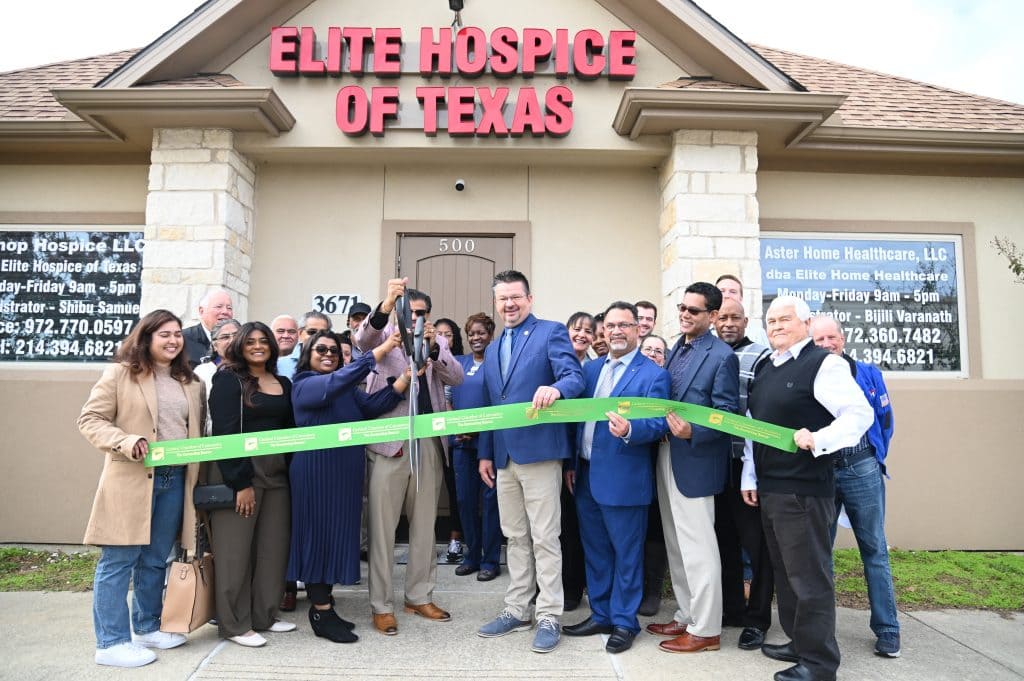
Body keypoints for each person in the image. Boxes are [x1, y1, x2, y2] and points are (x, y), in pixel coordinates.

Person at [741, 296, 872, 681]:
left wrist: (819, 438)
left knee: (809, 577)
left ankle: (818, 664)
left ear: (806, 323)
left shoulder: (824, 364)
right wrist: (750, 476)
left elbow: (860, 414)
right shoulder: (767, 366)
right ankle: (800, 644)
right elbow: (754, 426)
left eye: (785, 319)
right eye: (771, 320)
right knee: (786, 573)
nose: (777, 326)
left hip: (804, 489)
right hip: (772, 487)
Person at [77, 309, 205, 668]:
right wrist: (124, 440)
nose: (173, 340)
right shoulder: (120, 374)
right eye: (164, 333)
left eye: (177, 334)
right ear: (146, 337)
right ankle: (111, 642)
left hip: (175, 478)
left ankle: (147, 626)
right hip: (132, 479)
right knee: (118, 561)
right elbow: (90, 420)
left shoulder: (192, 382)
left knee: (154, 560)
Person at [477, 270, 585, 654]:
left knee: (545, 537)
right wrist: (486, 453)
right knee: (515, 537)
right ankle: (516, 609)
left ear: (529, 298)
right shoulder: (492, 348)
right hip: (504, 456)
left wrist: (556, 388)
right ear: (496, 302)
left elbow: (575, 377)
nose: (509, 304)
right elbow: (494, 406)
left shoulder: (551, 332)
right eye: (502, 298)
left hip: (540, 452)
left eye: (515, 297)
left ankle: (550, 614)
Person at [289, 329, 414, 643]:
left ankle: (326, 606)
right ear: (308, 354)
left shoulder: (345, 388)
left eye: (335, 349)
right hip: (316, 476)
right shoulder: (305, 384)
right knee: (318, 538)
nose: (329, 354)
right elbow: (335, 382)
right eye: (321, 349)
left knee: (335, 538)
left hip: (344, 478)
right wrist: (384, 348)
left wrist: (405, 379)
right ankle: (319, 610)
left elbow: (372, 407)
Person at [354, 279, 464, 636]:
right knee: (383, 530)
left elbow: (457, 377)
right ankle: (381, 605)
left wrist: (433, 349)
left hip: (428, 443)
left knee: (424, 526)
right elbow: (362, 343)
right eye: (411, 312)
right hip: (389, 444)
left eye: (422, 314)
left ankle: (419, 595)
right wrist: (387, 303)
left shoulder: (437, 341)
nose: (416, 319)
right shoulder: (383, 334)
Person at [562, 302, 670, 654]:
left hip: (624, 478)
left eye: (624, 325)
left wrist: (630, 430)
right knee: (596, 552)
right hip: (587, 474)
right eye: (610, 326)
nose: (617, 331)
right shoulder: (590, 370)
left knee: (626, 554)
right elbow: (578, 419)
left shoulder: (653, 374)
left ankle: (625, 622)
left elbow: (658, 424)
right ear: (602, 331)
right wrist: (571, 463)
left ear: (639, 329)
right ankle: (602, 613)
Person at [648, 282, 739, 655]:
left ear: (713, 316)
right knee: (676, 543)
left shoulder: (722, 356)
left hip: (696, 459)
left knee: (699, 548)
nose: (684, 315)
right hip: (667, 455)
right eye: (682, 308)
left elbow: (728, 413)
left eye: (694, 310)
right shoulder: (676, 349)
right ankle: (686, 615)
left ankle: (706, 630)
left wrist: (693, 431)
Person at [809, 315, 900, 658]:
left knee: (874, 549)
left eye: (832, 337)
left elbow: (885, 421)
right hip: (823, 471)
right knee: (821, 553)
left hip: (861, 467)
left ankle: (888, 629)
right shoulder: (809, 376)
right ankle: (821, 631)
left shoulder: (868, 373)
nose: (827, 344)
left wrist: (874, 459)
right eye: (819, 339)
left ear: (842, 339)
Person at [208, 321, 296, 648]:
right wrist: (240, 483)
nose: (258, 346)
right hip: (240, 473)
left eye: (264, 341)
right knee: (235, 552)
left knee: (272, 550)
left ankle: (264, 615)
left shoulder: (283, 382)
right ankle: (234, 624)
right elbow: (225, 433)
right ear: (240, 347)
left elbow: (290, 432)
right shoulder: (229, 380)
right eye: (251, 342)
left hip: (277, 475)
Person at [713, 298, 775, 651]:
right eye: (722, 318)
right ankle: (732, 609)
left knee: (756, 545)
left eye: (735, 317)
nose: (729, 324)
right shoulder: (710, 353)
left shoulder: (761, 356)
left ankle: (757, 619)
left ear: (746, 320)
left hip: (746, 463)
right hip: (714, 462)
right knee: (723, 541)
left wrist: (752, 469)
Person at [451, 313, 503, 581]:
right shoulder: (459, 363)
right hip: (461, 443)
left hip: (488, 443)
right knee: (465, 501)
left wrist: (479, 429)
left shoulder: (497, 363)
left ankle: (490, 560)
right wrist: (454, 427)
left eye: (481, 332)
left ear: (490, 334)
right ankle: (471, 556)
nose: (476, 338)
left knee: (490, 501)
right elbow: (448, 398)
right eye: (471, 333)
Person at [561, 310, 596, 610]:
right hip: (554, 454)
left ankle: (573, 588)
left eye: (588, 330)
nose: (582, 334)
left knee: (575, 527)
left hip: (579, 459)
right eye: (576, 328)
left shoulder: (595, 370)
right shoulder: (554, 364)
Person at [434, 316, 466, 563]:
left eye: (449, 334)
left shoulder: (462, 364)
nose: (444, 338)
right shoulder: (429, 361)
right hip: (438, 436)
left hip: (462, 436)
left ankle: (458, 537)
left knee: (460, 492)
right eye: (439, 333)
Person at [194, 318, 241, 435]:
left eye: (237, 335)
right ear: (214, 345)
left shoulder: (255, 369)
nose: (232, 340)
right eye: (225, 337)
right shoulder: (203, 372)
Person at [182, 289, 234, 367]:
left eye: (229, 308)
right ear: (201, 311)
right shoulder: (183, 339)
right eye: (219, 307)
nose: (225, 312)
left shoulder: (237, 341)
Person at [716, 274, 770, 348]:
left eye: (733, 292)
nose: (727, 295)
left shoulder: (757, 333)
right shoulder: (704, 332)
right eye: (722, 291)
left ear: (741, 298)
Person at [272, 315, 301, 379]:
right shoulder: (262, 360)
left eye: (291, 332)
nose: (286, 336)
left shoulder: (306, 359)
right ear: (271, 334)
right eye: (280, 331)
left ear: (299, 335)